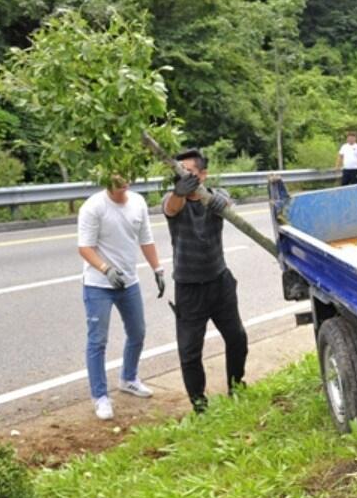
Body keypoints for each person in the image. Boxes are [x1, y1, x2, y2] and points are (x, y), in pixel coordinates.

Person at [163, 149, 248, 413]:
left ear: (203, 174)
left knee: (237, 338)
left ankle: (236, 385)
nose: (186, 176)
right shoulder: (173, 199)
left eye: (191, 172)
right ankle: (199, 405)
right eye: (182, 171)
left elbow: (226, 202)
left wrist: (221, 202)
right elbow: (170, 207)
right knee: (190, 351)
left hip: (219, 282)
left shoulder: (214, 196)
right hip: (189, 288)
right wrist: (179, 192)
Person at [76, 175, 166, 420]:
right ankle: (100, 396)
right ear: (105, 179)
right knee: (98, 340)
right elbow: (85, 247)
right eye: (116, 177)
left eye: (127, 175)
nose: (123, 181)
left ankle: (128, 377)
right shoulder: (93, 207)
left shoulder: (138, 202)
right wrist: (105, 269)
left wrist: (157, 269)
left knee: (137, 332)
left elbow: (145, 239)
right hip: (99, 285)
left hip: (128, 282)